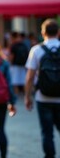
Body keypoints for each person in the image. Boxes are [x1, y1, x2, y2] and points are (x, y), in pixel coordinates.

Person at [25, 19, 60, 158]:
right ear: (58, 32)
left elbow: (30, 77)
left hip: (43, 97)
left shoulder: (36, 50)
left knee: (47, 133)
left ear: (43, 32)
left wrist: (28, 96)